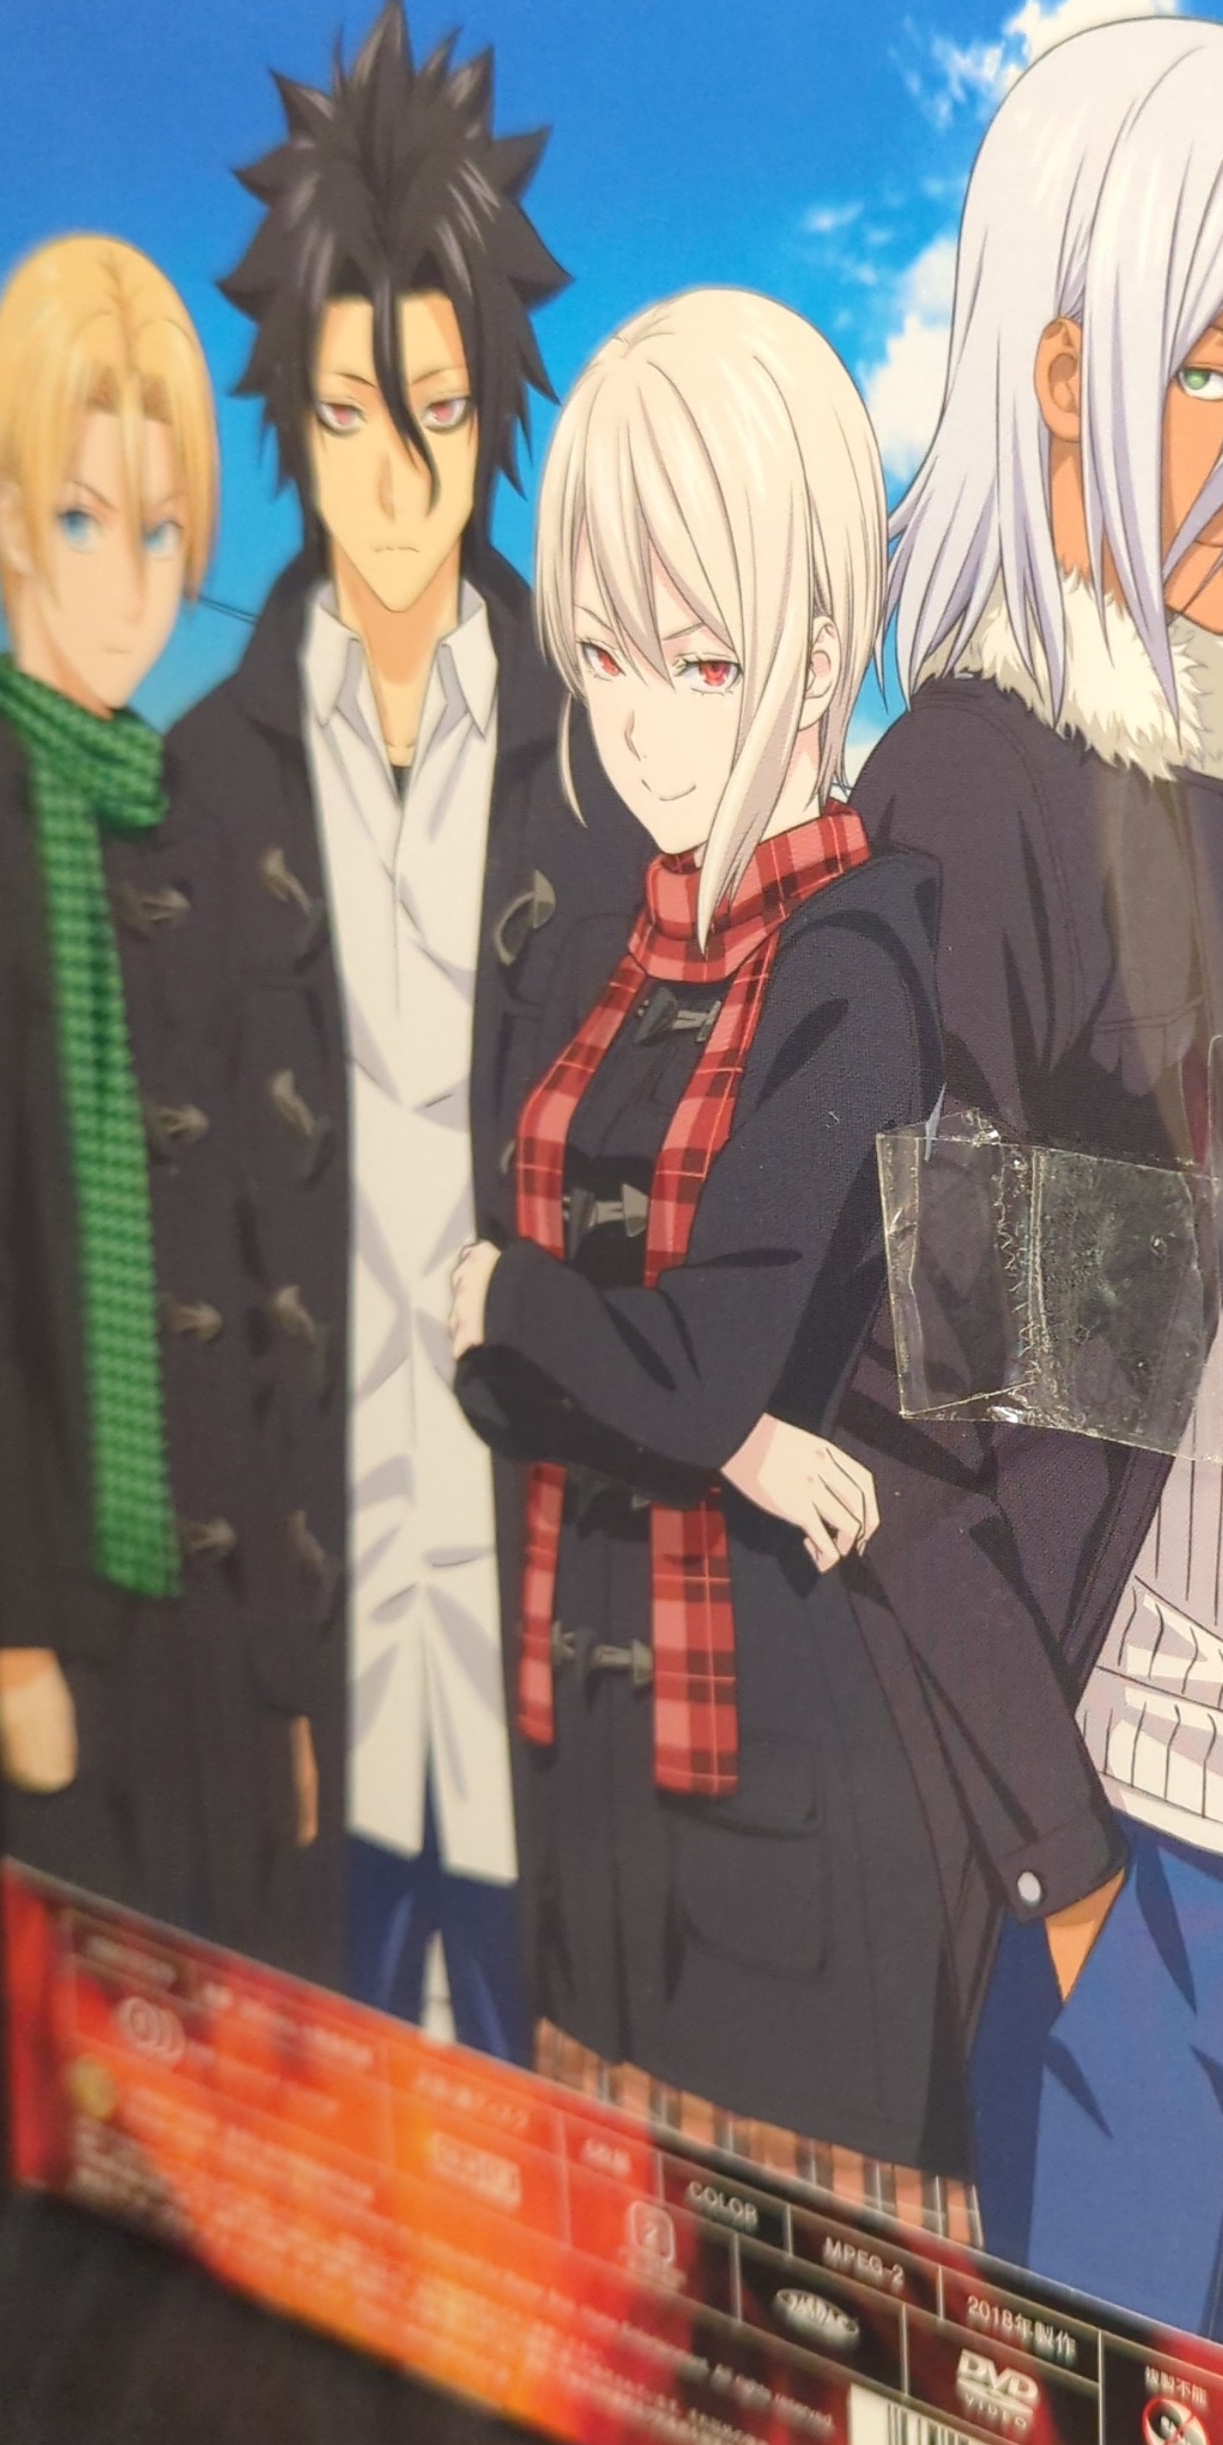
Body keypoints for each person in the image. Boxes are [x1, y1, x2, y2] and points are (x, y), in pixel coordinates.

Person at [844, 18, 1223, 2378]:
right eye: (1213, 372)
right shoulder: (975, 797)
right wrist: (1065, 1873)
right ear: (1057, 377)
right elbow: (908, 1426)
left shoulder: (1206, 814)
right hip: (1115, 1870)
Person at [446, 288, 968, 2229]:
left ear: (820, 644)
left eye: (701, 656)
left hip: (782, 1797)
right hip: (589, 1775)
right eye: (605, 656)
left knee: (800, 2305)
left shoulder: (857, 962)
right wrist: (716, 1434)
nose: (645, 723)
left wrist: (518, 1306)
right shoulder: (623, 944)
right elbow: (552, 1394)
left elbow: (673, 1355)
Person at [162, 0, 647, 2033]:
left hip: (540, 1568)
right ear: (289, 413)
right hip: (318, 1569)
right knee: (342, 2041)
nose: (394, 476)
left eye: (437, 411)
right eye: (349, 416)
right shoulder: (212, 779)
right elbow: (187, 1234)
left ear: (495, 409)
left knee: (540, 2047)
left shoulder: (594, 754)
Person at [0, 232, 310, 1951]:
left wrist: (286, 1669)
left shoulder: (180, 819)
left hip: (222, 1590)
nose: (128, 589)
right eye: (85, 520)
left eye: (162, 536)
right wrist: (15, 1634)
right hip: (81, 1587)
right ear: (11, 516)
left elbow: (241, 1229)